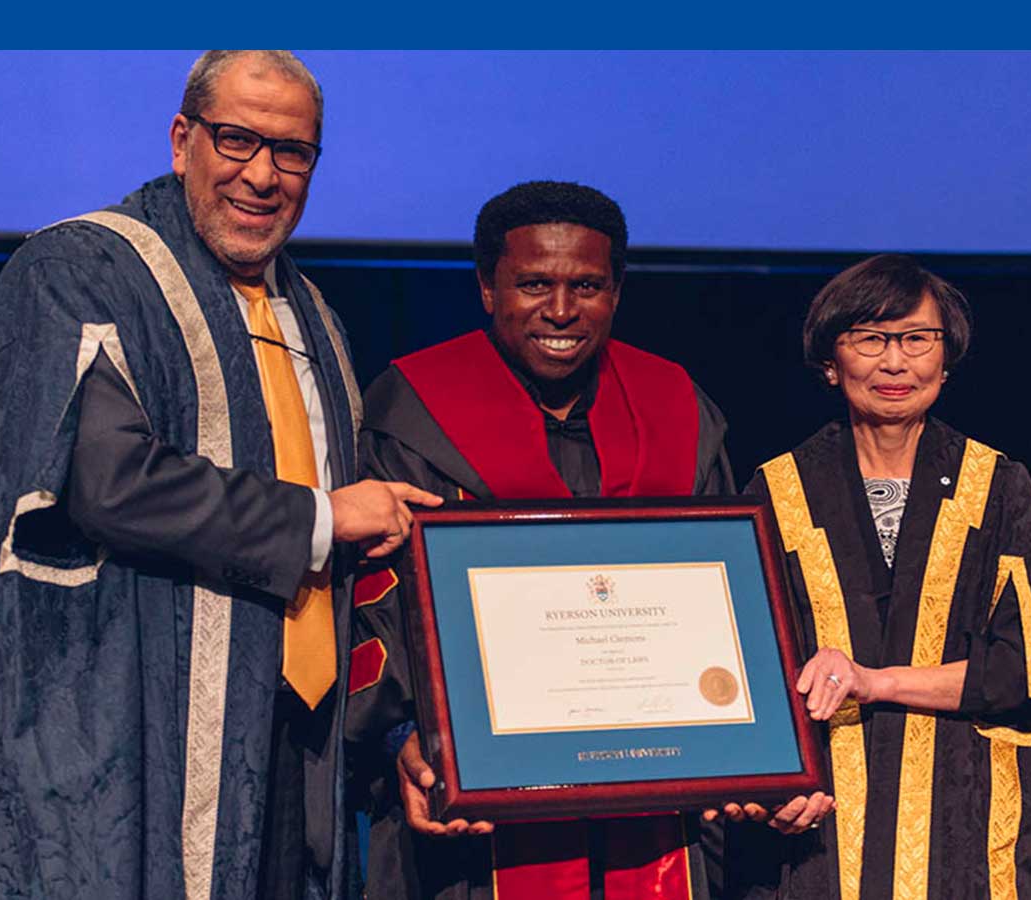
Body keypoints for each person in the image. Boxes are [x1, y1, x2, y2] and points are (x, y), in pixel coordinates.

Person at [0, 50, 438, 900]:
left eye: (291, 151)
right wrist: (321, 519)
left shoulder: (313, 313)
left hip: (299, 737)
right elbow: (108, 483)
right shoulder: (82, 269)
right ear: (182, 141)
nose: (262, 174)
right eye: (235, 140)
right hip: (139, 717)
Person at [348, 181, 829, 900]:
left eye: (588, 286)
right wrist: (400, 744)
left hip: (665, 808)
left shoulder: (677, 407)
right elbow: (372, 602)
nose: (562, 311)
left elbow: (733, 601)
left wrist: (761, 751)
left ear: (618, 290)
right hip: (481, 824)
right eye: (534, 284)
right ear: (486, 288)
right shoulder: (416, 410)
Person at [727, 254, 1031, 898]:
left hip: (969, 826)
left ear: (945, 359)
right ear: (830, 360)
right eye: (869, 339)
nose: (894, 363)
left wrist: (875, 682)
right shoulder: (781, 489)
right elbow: (748, 669)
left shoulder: (997, 487)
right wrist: (772, 789)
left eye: (916, 339)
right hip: (824, 827)